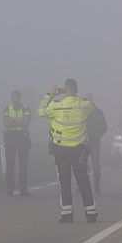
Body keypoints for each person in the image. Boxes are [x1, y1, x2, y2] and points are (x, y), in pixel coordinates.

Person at [39, 78, 96, 223]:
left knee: (64, 181)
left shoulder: (55, 105)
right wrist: (89, 98)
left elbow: (40, 111)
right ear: (76, 89)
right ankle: (91, 213)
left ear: (65, 89)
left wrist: (50, 94)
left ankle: (67, 214)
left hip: (60, 150)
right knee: (83, 180)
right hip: (79, 150)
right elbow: (91, 107)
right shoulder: (83, 105)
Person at [1, 90, 32, 196]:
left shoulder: (26, 109)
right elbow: (6, 124)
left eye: (16, 98)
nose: (14, 100)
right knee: (10, 164)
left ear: (20, 98)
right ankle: (9, 189)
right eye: (13, 98)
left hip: (23, 138)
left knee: (23, 165)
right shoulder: (7, 109)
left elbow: (26, 122)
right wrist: (20, 122)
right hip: (10, 138)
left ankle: (23, 189)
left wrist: (13, 121)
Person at [86, 96, 108, 193]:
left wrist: (97, 135)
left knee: (96, 165)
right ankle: (81, 187)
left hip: (94, 142)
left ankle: (97, 188)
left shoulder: (98, 112)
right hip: (82, 142)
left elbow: (104, 127)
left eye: (87, 99)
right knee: (81, 165)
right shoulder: (80, 112)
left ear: (91, 100)